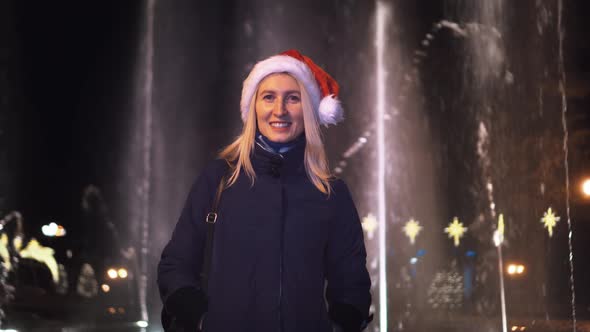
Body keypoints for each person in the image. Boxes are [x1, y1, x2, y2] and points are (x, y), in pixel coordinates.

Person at [157, 50, 372, 332]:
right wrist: (198, 318)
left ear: (307, 109)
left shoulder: (331, 193)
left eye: (293, 98)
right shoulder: (219, 180)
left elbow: (351, 279)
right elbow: (176, 263)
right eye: (268, 96)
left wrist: (341, 323)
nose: (279, 110)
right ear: (253, 107)